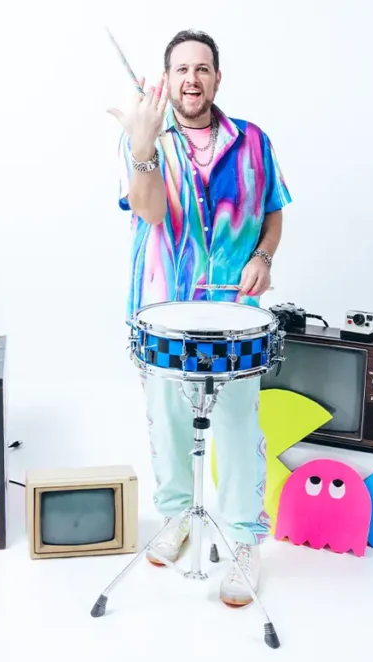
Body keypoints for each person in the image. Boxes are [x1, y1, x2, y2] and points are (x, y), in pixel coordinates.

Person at [108, 29, 292, 608]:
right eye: (182, 69)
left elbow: (273, 213)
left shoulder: (254, 141)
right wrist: (143, 146)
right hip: (163, 308)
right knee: (167, 420)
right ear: (167, 79)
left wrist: (263, 257)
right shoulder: (147, 138)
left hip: (234, 315)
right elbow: (150, 210)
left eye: (203, 68)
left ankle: (242, 541)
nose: (192, 79)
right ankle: (178, 517)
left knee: (238, 425)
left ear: (217, 78)